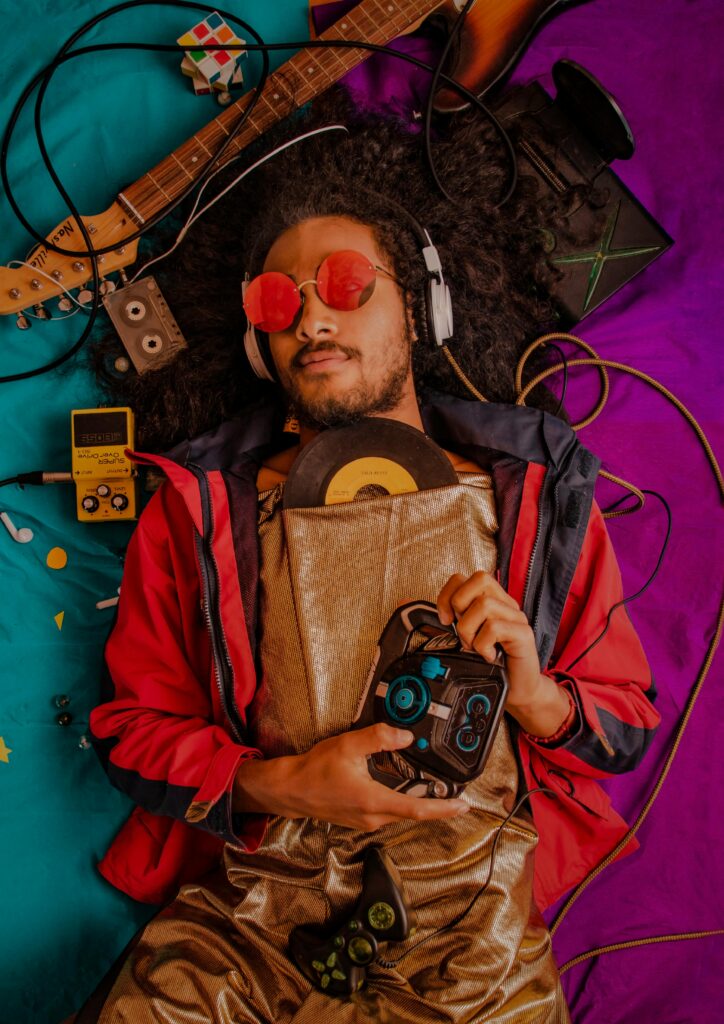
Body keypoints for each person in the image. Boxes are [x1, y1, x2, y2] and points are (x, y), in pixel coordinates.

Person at [82, 91, 660, 1023]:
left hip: (475, 935)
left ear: (421, 304)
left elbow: (625, 724)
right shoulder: (197, 509)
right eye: (280, 301)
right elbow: (130, 728)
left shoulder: (535, 492)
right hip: (250, 927)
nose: (312, 318)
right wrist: (273, 782)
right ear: (258, 343)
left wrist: (538, 695)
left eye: (347, 283)